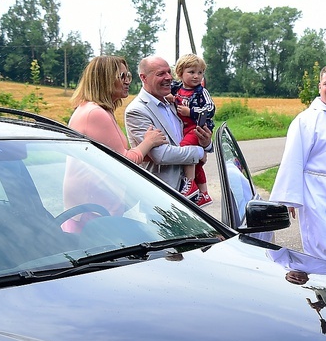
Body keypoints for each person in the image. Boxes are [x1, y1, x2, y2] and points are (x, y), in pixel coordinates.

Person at [269, 64, 326, 268]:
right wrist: (290, 197)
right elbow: (293, 159)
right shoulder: (306, 120)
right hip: (318, 194)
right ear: (319, 86)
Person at [62, 56, 167, 231]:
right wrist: (149, 141)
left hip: (91, 209)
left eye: (129, 76)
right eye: (122, 76)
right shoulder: (95, 113)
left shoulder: (92, 109)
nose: (127, 82)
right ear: (104, 79)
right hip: (93, 214)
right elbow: (123, 160)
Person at [125, 56, 213, 193]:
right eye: (160, 74)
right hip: (160, 193)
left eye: (168, 72)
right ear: (143, 78)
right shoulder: (137, 110)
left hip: (187, 193)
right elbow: (162, 155)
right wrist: (199, 152)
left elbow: (187, 136)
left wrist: (206, 143)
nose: (168, 78)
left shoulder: (173, 102)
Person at [170, 53, 216, 206]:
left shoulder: (201, 92)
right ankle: (203, 194)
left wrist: (191, 112)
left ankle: (189, 185)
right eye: (191, 72)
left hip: (197, 128)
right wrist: (170, 98)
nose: (197, 76)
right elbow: (168, 97)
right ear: (180, 73)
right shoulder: (175, 88)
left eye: (200, 73)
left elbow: (210, 109)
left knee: (185, 151)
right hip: (184, 128)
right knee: (196, 164)